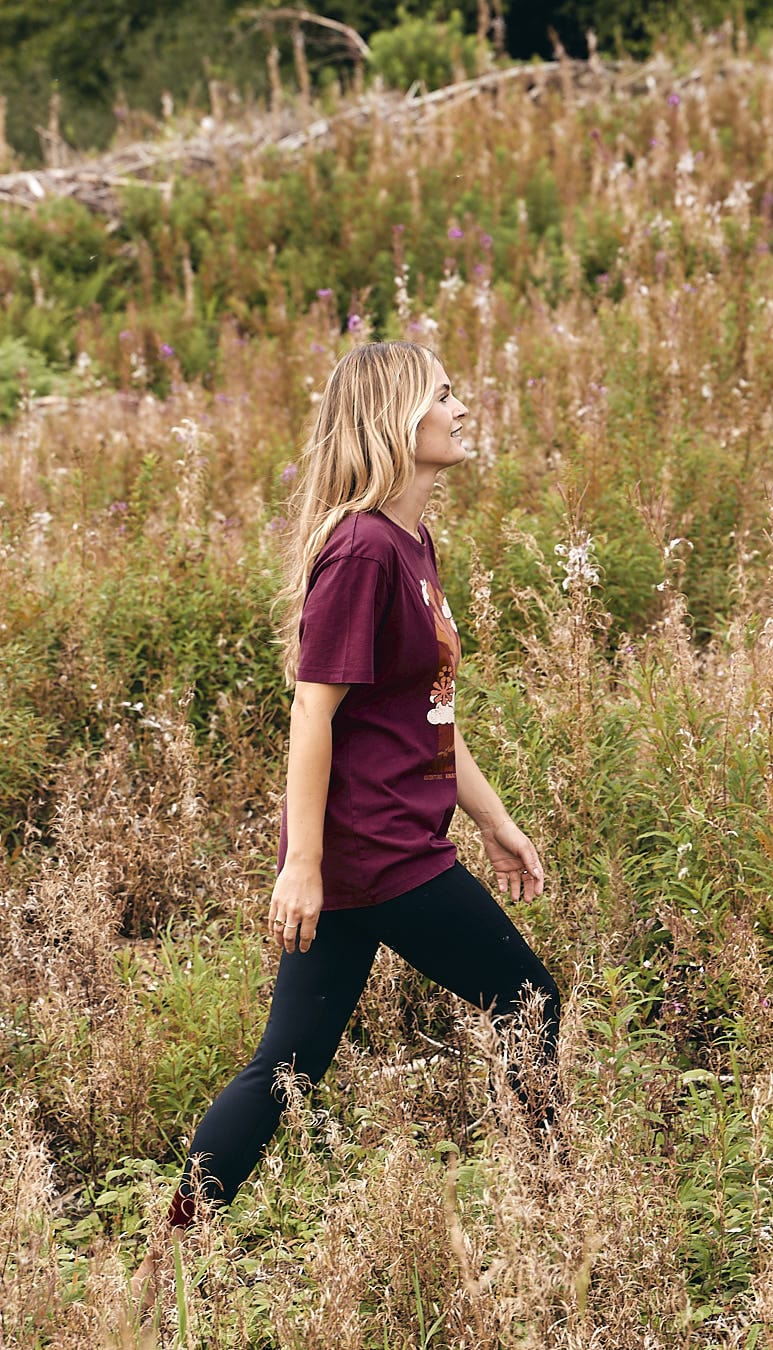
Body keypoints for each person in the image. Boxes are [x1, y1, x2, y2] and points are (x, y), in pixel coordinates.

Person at [132, 340, 560, 1304]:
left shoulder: (410, 546)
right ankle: (556, 1213)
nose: (464, 405)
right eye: (443, 393)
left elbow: (427, 714)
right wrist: (305, 866)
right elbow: (311, 712)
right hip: (375, 852)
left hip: (376, 847)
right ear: (396, 419)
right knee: (530, 1001)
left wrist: (493, 820)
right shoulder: (363, 548)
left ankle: (161, 1270)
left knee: (284, 1066)